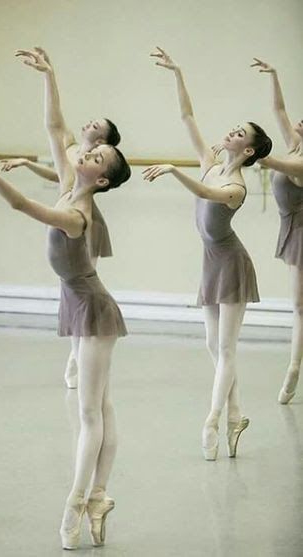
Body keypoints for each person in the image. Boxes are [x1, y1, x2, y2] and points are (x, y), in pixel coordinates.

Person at [0, 46, 131, 550]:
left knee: (92, 412)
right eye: (90, 152)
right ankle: (99, 496)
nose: (86, 154)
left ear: (103, 178)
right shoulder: (71, 186)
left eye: (97, 157)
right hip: (80, 301)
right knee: (102, 407)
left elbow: (23, 203)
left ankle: (78, 500)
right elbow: (56, 130)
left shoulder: (76, 213)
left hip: (93, 308)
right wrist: (50, 75)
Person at [143, 47, 272, 461]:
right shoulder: (211, 163)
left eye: (240, 134)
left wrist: (175, 171)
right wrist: (178, 73)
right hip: (210, 262)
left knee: (227, 348)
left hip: (231, 263)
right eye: (233, 129)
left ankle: (213, 420)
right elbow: (188, 118)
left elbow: (206, 193)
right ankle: (236, 413)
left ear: (248, 151)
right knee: (211, 345)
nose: (230, 133)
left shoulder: (235, 186)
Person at [0, 77, 120, 390]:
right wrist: (47, 75)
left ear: (102, 143)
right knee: (71, 282)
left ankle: (79, 351)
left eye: (98, 125)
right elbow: (54, 128)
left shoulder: (89, 163)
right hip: (65, 208)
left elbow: (59, 179)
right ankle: (77, 348)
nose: (90, 123)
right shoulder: (72, 153)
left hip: (79, 219)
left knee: (84, 277)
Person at [251, 57, 303, 404]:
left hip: (301, 233)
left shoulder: (299, 160)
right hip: (292, 229)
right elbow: (279, 108)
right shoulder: (294, 144)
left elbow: (272, 161)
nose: (298, 121)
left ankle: (293, 368)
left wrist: (249, 153)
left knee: (299, 305)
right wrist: (274, 75)